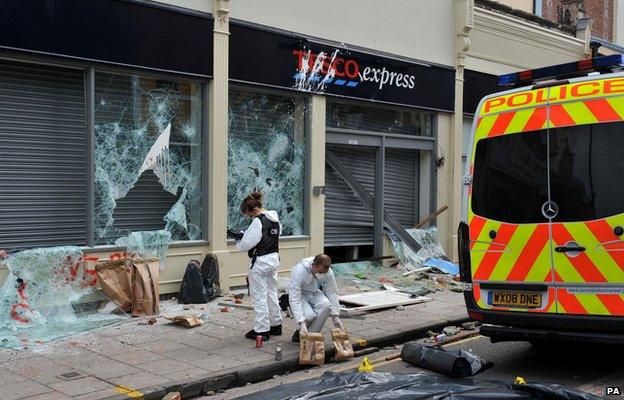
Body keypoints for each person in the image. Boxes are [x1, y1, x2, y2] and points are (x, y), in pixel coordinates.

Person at [236, 191, 283, 341]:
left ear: (255, 210)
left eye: (250, 215)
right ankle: (276, 325)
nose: (251, 218)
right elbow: (275, 235)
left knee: (259, 296)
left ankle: (261, 330)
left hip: (261, 261)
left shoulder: (258, 221)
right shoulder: (275, 220)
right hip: (274, 259)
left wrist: (239, 240)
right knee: (271, 292)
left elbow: (246, 244)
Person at [289, 254, 344, 342]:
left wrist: (335, 316)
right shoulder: (299, 271)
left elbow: (332, 292)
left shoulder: (328, 272)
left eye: (324, 273)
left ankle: (310, 337)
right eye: (320, 272)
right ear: (314, 265)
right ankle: (302, 329)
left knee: (326, 305)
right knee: (309, 316)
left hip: (314, 292)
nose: (322, 275)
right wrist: (301, 322)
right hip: (300, 294)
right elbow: (294, 297)